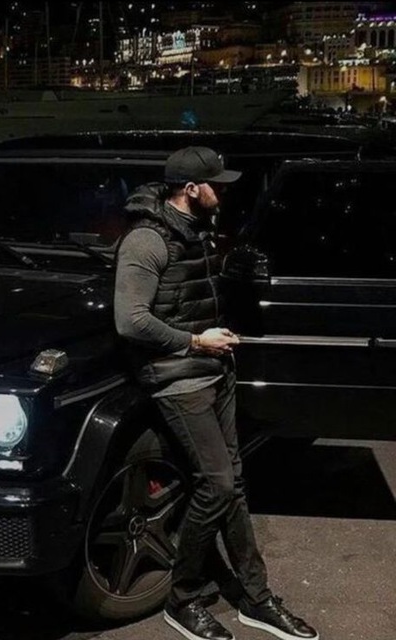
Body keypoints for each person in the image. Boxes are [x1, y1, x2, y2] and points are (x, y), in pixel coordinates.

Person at [113, 146, 319, 640]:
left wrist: (217, 338)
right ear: (190, 189)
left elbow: (193, 297)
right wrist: (195, 342)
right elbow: (131, 320)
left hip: (214, 371)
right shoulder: (145, 240)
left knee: (234, 485)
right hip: (178, 379)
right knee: (218, 485)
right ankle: (182, 598)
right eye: (215, 184)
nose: (221, 192)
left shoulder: (197, 229)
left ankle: (256, 599)